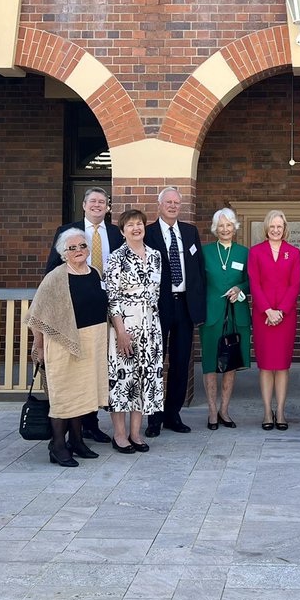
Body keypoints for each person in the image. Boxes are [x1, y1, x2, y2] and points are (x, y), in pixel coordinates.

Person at [43, 186, 123, 445]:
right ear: (84, 205)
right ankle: (76, 431)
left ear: (107, 207)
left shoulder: (114, 233)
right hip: (73, 317)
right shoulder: (68, 232)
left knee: (95, 369)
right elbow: (52, 273)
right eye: (93, 201)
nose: (98, 205)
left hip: (101, 313)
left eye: (102, 202)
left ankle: (90, 424)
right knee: (74, 374)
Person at [28, 228, 109, 466]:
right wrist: (39, 346)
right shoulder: (55, 277)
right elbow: (37, 315)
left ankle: (76, 440)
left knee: (83, 394)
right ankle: (58, 446)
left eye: (82, 246)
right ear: (63, 252)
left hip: (92, 341)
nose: (78, 251)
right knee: (64, 395)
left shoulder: (94, 273)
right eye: (71, 248)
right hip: (63, 343)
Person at [142, 187, 206, 436]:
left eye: (176, 203)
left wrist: (198, 308)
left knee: (180, 362)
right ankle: (153, 418)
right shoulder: (148, 233)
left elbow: (198, 272)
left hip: (185, 306)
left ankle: (173, 415)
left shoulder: (190, 232)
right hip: (159, 306)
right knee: (156, 362)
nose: (172, 206)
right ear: (159, 205)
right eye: (168, 202)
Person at [105, 209, 164, 453]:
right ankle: (119, 435)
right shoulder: (116, 258)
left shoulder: (155, 256)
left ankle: (135, 433)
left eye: (139, 224)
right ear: (122, 231)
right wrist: (120, 331)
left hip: (151, 326)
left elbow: (156, 293)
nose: (136, 228)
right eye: (130, 225)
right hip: (125, 327)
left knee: (143, 379)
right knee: (123, 380)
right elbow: (112, 297)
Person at [248, 209, 300, 430]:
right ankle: (266, 412)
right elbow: (254, 283)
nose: (276, 230)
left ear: (285, 228)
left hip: (285, 317)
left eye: (279, 226)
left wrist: (280, 311)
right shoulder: (256, 252)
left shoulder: (294, 252)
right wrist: (268, 310)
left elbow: (294, 284)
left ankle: (280, 411)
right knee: (266, 366)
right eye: (272, 226)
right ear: (267, 228)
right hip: (263, 316)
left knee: (281, 366)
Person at [199, 207, 252, 429]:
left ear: (234, 227)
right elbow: (198, 282)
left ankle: (225, 410)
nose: (225, 229)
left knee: (230, 363)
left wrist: (239, 289)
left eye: (228, 225)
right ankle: (212, 412)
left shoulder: (244, 252)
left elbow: (251, 282)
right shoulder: (206, 252)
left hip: (236, 314)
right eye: (220, 226)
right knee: (210, 364)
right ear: (215, 229)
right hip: (211, 315)